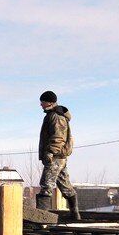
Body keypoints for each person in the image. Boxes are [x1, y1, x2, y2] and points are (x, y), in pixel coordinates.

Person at [36, 90, 80, 220]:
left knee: (46, 184)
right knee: (64, 185)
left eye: (42, 102)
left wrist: (50, 151)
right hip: (59, 156)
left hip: (55, 156)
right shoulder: (52, 115)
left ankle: (40, 219)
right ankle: (75, 214)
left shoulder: (56, 116)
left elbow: (58, 137)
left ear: (49, 102)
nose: (41, 105)